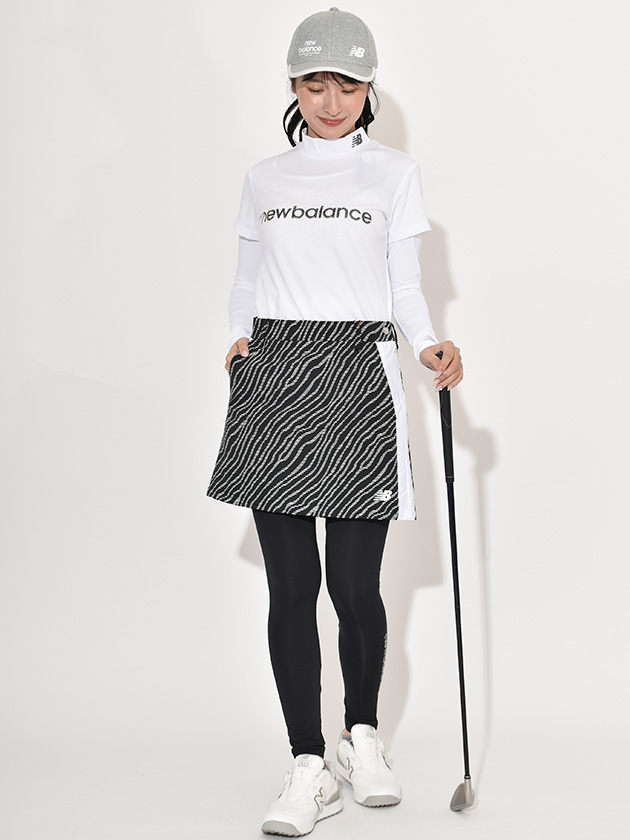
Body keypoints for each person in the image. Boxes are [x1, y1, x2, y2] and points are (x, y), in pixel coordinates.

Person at [207, 7, 463, 836]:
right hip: (276, 373)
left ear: (368, 88)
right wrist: (241, 337)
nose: (329, 101)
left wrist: (428, 345)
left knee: (355, 585)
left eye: (345, 85)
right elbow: (247, 277)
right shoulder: (265, 179)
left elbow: (405, 282)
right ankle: (307, 763)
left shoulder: (392, 173)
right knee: (293, 587)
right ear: (293, 86)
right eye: (314, 84)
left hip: (360, 370)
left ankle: (362, 737)